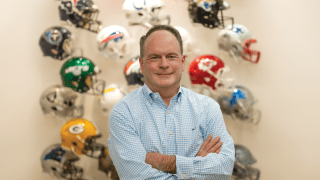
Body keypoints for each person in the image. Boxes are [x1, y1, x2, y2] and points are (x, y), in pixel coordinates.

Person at [107, 25, 235, 179]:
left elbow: (224, 169)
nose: (164, 64)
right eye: (154, 57)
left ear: (182, 62)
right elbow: (138, 177)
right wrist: (197, 163)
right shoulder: (123, 113)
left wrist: (167, 163)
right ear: (141, 64)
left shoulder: (208, 108)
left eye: (171, 56)